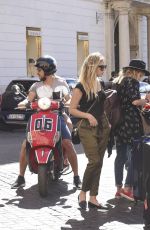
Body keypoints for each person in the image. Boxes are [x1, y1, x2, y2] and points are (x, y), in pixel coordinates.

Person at [11, 55, 81, 189]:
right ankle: (20, 177)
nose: (37, 73)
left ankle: (76, 177)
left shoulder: (61, 83)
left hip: (57, 116)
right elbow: (29, 99)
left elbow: (69, 99)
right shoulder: (36, 85)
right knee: (26, 144)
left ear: (46, 70)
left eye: (39, 70)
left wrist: (66, 103)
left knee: (67, 143)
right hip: (39, 118)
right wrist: (23, 103)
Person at [69, 52, 110, 209]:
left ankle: (93, 197)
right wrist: (88, 116)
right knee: (94, 161)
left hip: (103, 126)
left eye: (105, 66)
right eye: (102, 67)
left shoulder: (100, 83)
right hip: (87, 127)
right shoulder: (80, 86)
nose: (104, 69)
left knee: (99, 163)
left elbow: (100, 106)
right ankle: (82, 193)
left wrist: (106, 122)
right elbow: (72, 110)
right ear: (92, 67)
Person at [114, 59, 150, 201]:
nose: (141, 76)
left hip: (119, 121)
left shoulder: (119, 80)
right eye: (141, 73)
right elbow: (134, 101)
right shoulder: (132, 82)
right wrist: (146, 100)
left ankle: (118, 188)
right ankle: (128, 188)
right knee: (134, 156)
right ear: (136, 71)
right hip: (131, 122)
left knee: (120, 157)